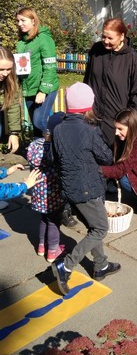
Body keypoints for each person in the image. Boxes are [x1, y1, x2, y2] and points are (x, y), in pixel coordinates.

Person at [51, 82, 120, 295]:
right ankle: (66, 266)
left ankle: (101, 265)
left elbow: (54, 158)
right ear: (88, 107)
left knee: (93, 226)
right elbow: (106, 158)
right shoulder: (90, 132)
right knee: (100, 229)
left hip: (70, 189)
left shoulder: (58, 129)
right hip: (88, 189)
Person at [84, 18, 137, 147]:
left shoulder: (131, 59)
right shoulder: (96, 51)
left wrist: (129, 122)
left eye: (110, 38)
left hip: (116, 122)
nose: (105, 41)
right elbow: (87, 80)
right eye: (103, 37)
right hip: (93, 118)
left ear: (121, 36)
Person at [27, 112, 66, 263]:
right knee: (53, 221)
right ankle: (52, 251)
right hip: (53, 195)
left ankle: (41, 246)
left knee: (44, 219)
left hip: (38, 194)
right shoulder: (55, 149)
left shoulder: (34, 145)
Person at [16, 7, 59, 137]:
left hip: (44, 88)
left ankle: (62, 137)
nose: (19, 24)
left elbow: (50, 66)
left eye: (23, 20)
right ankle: (39, 148)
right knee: (36, 126)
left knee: (39, 122)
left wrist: (43, 90)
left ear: (33, 20)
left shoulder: (44, 39)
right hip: (29, 87)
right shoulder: (21, 42)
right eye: (18, 21)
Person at [0, 46, 22, 153]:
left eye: (8, 69)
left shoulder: (11, 79)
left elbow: (13, 105)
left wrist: (14, 133)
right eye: (1, 69)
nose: (5, 73)